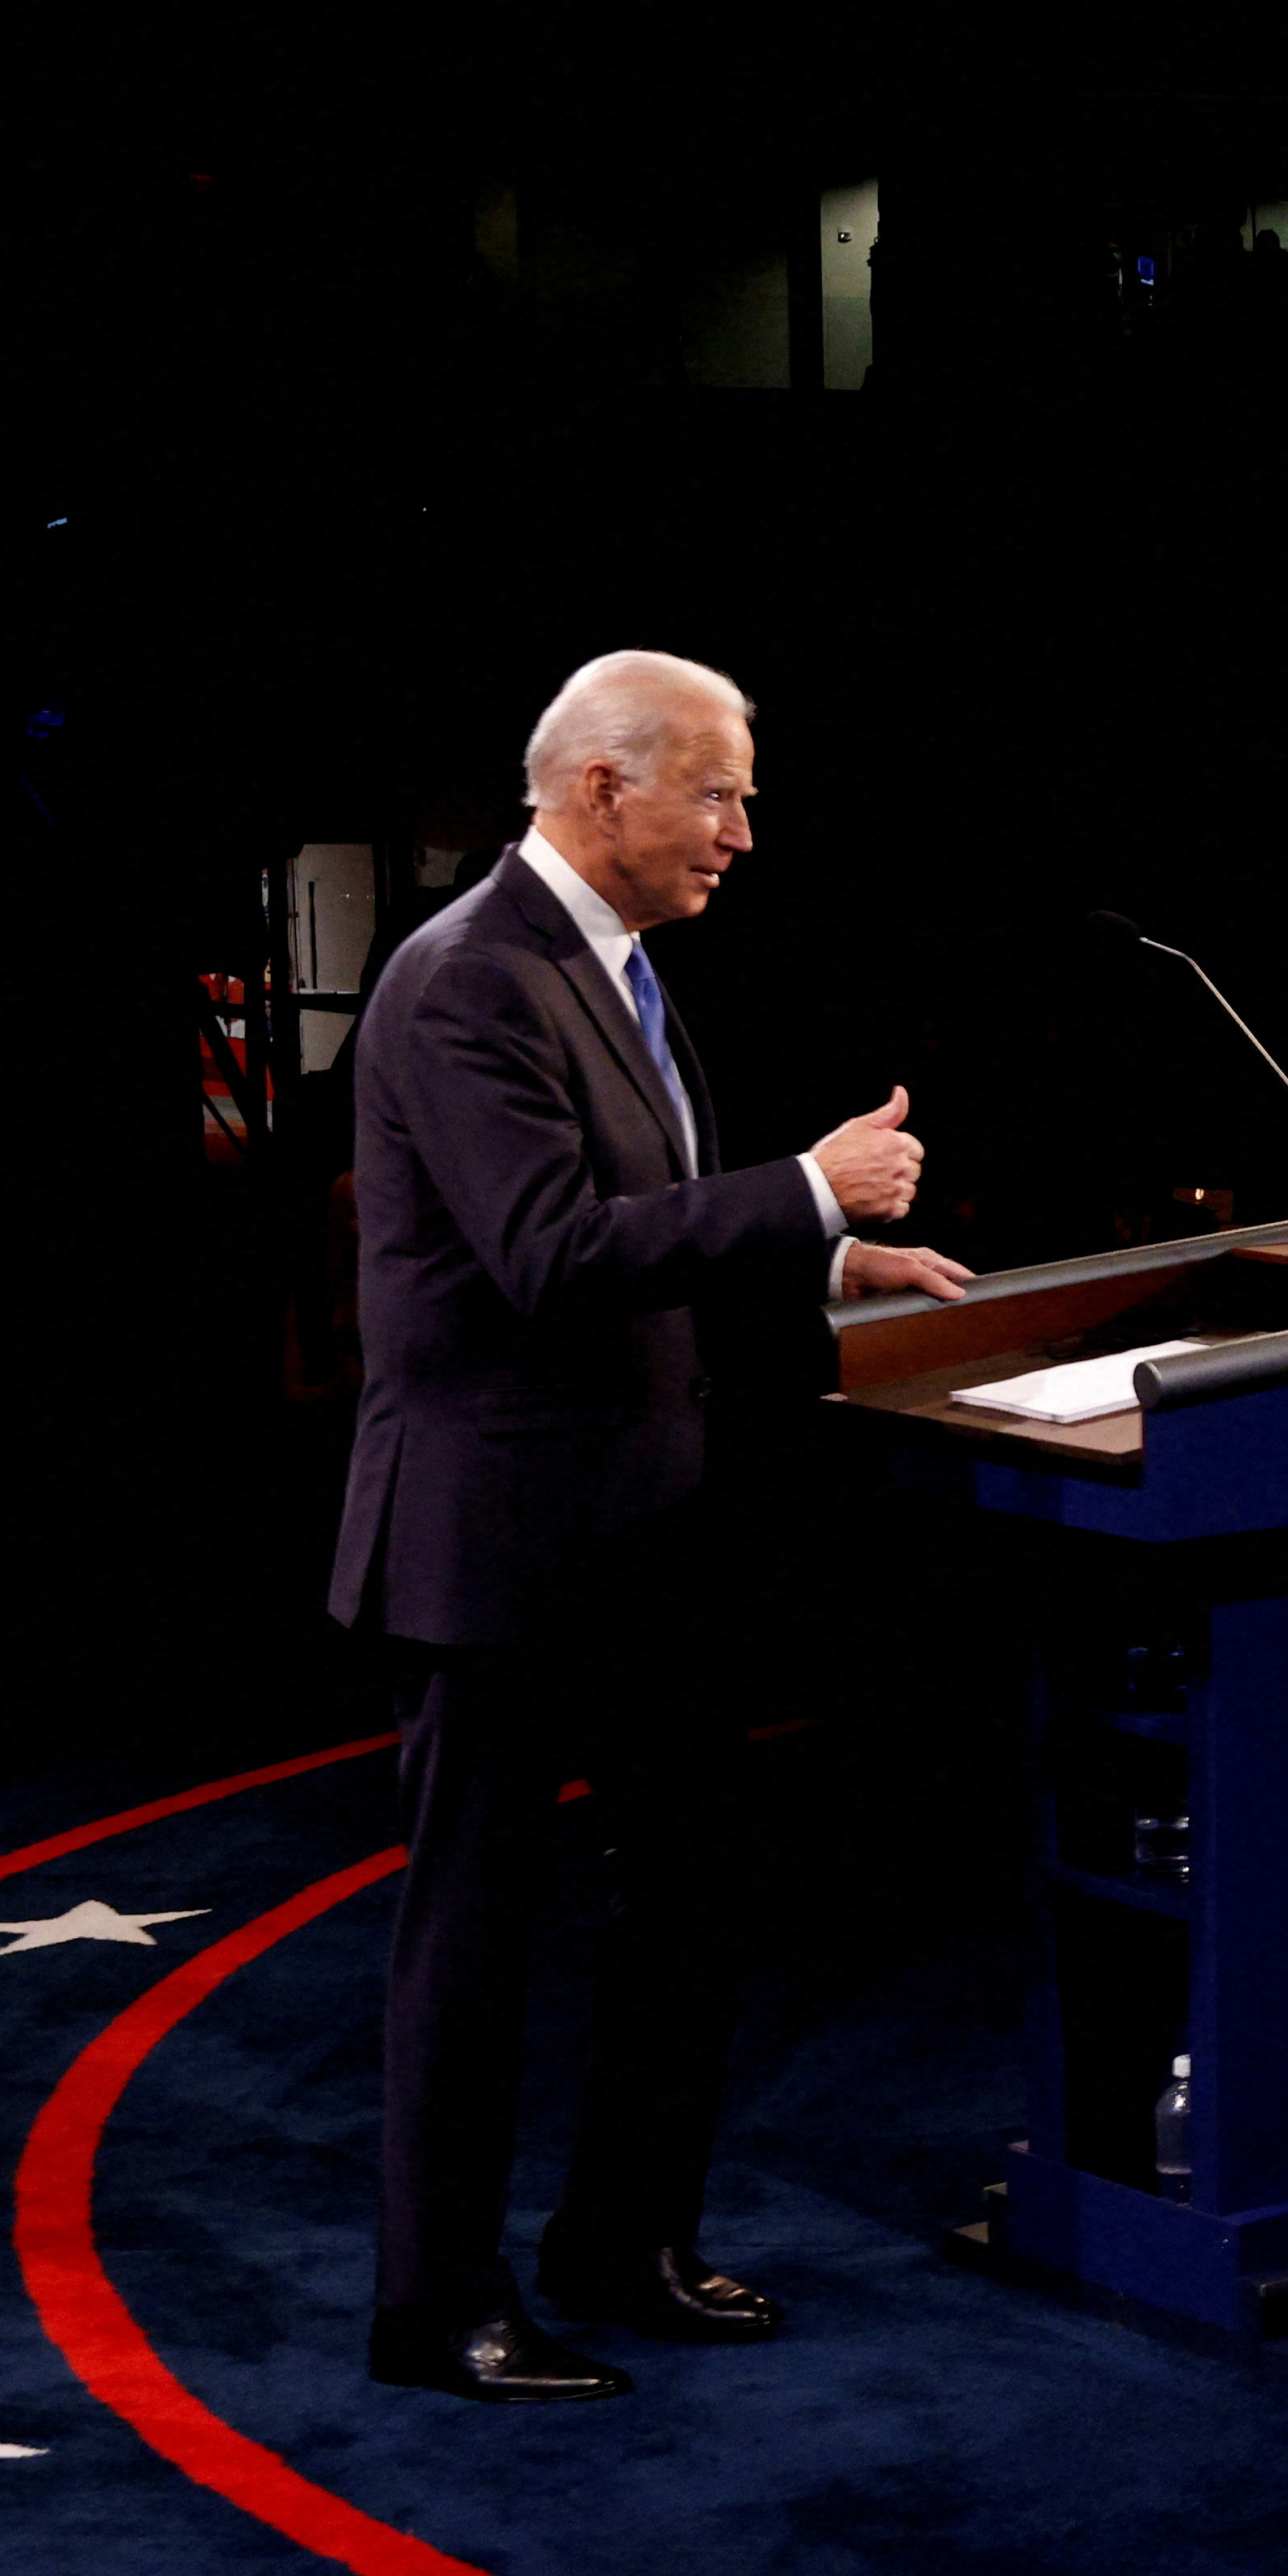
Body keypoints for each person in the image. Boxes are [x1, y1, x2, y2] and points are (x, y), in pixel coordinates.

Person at [327, 650, 973, 2404]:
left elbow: (640, 1215)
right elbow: (543, 1253)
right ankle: (433, 2305)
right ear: (600, 787)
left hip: (643, 1536)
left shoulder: (611, 969)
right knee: (472, 1936)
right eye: (717, 791)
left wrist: (827, 1257)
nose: (742, 831)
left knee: (695, 1892)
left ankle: (621, 2241)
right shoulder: (465, 978)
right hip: (495, 1540)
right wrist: (806, 1189)